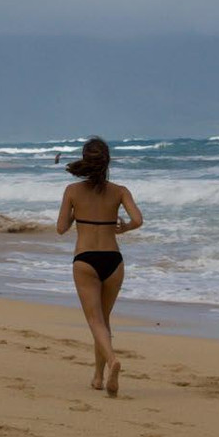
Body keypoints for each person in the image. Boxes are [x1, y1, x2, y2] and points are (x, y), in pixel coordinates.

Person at [56, 137, 143, 397]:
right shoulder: (120, 190)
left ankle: (113, 362)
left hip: (86, 260)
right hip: (113, 261)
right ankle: (98, 376)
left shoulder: (72, 190)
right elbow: (138, 219)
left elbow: (61, 229)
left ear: (86, 159)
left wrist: (76, 213)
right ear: (107, 161)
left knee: (95, 321)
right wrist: (124, 227)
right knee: (104, 321)